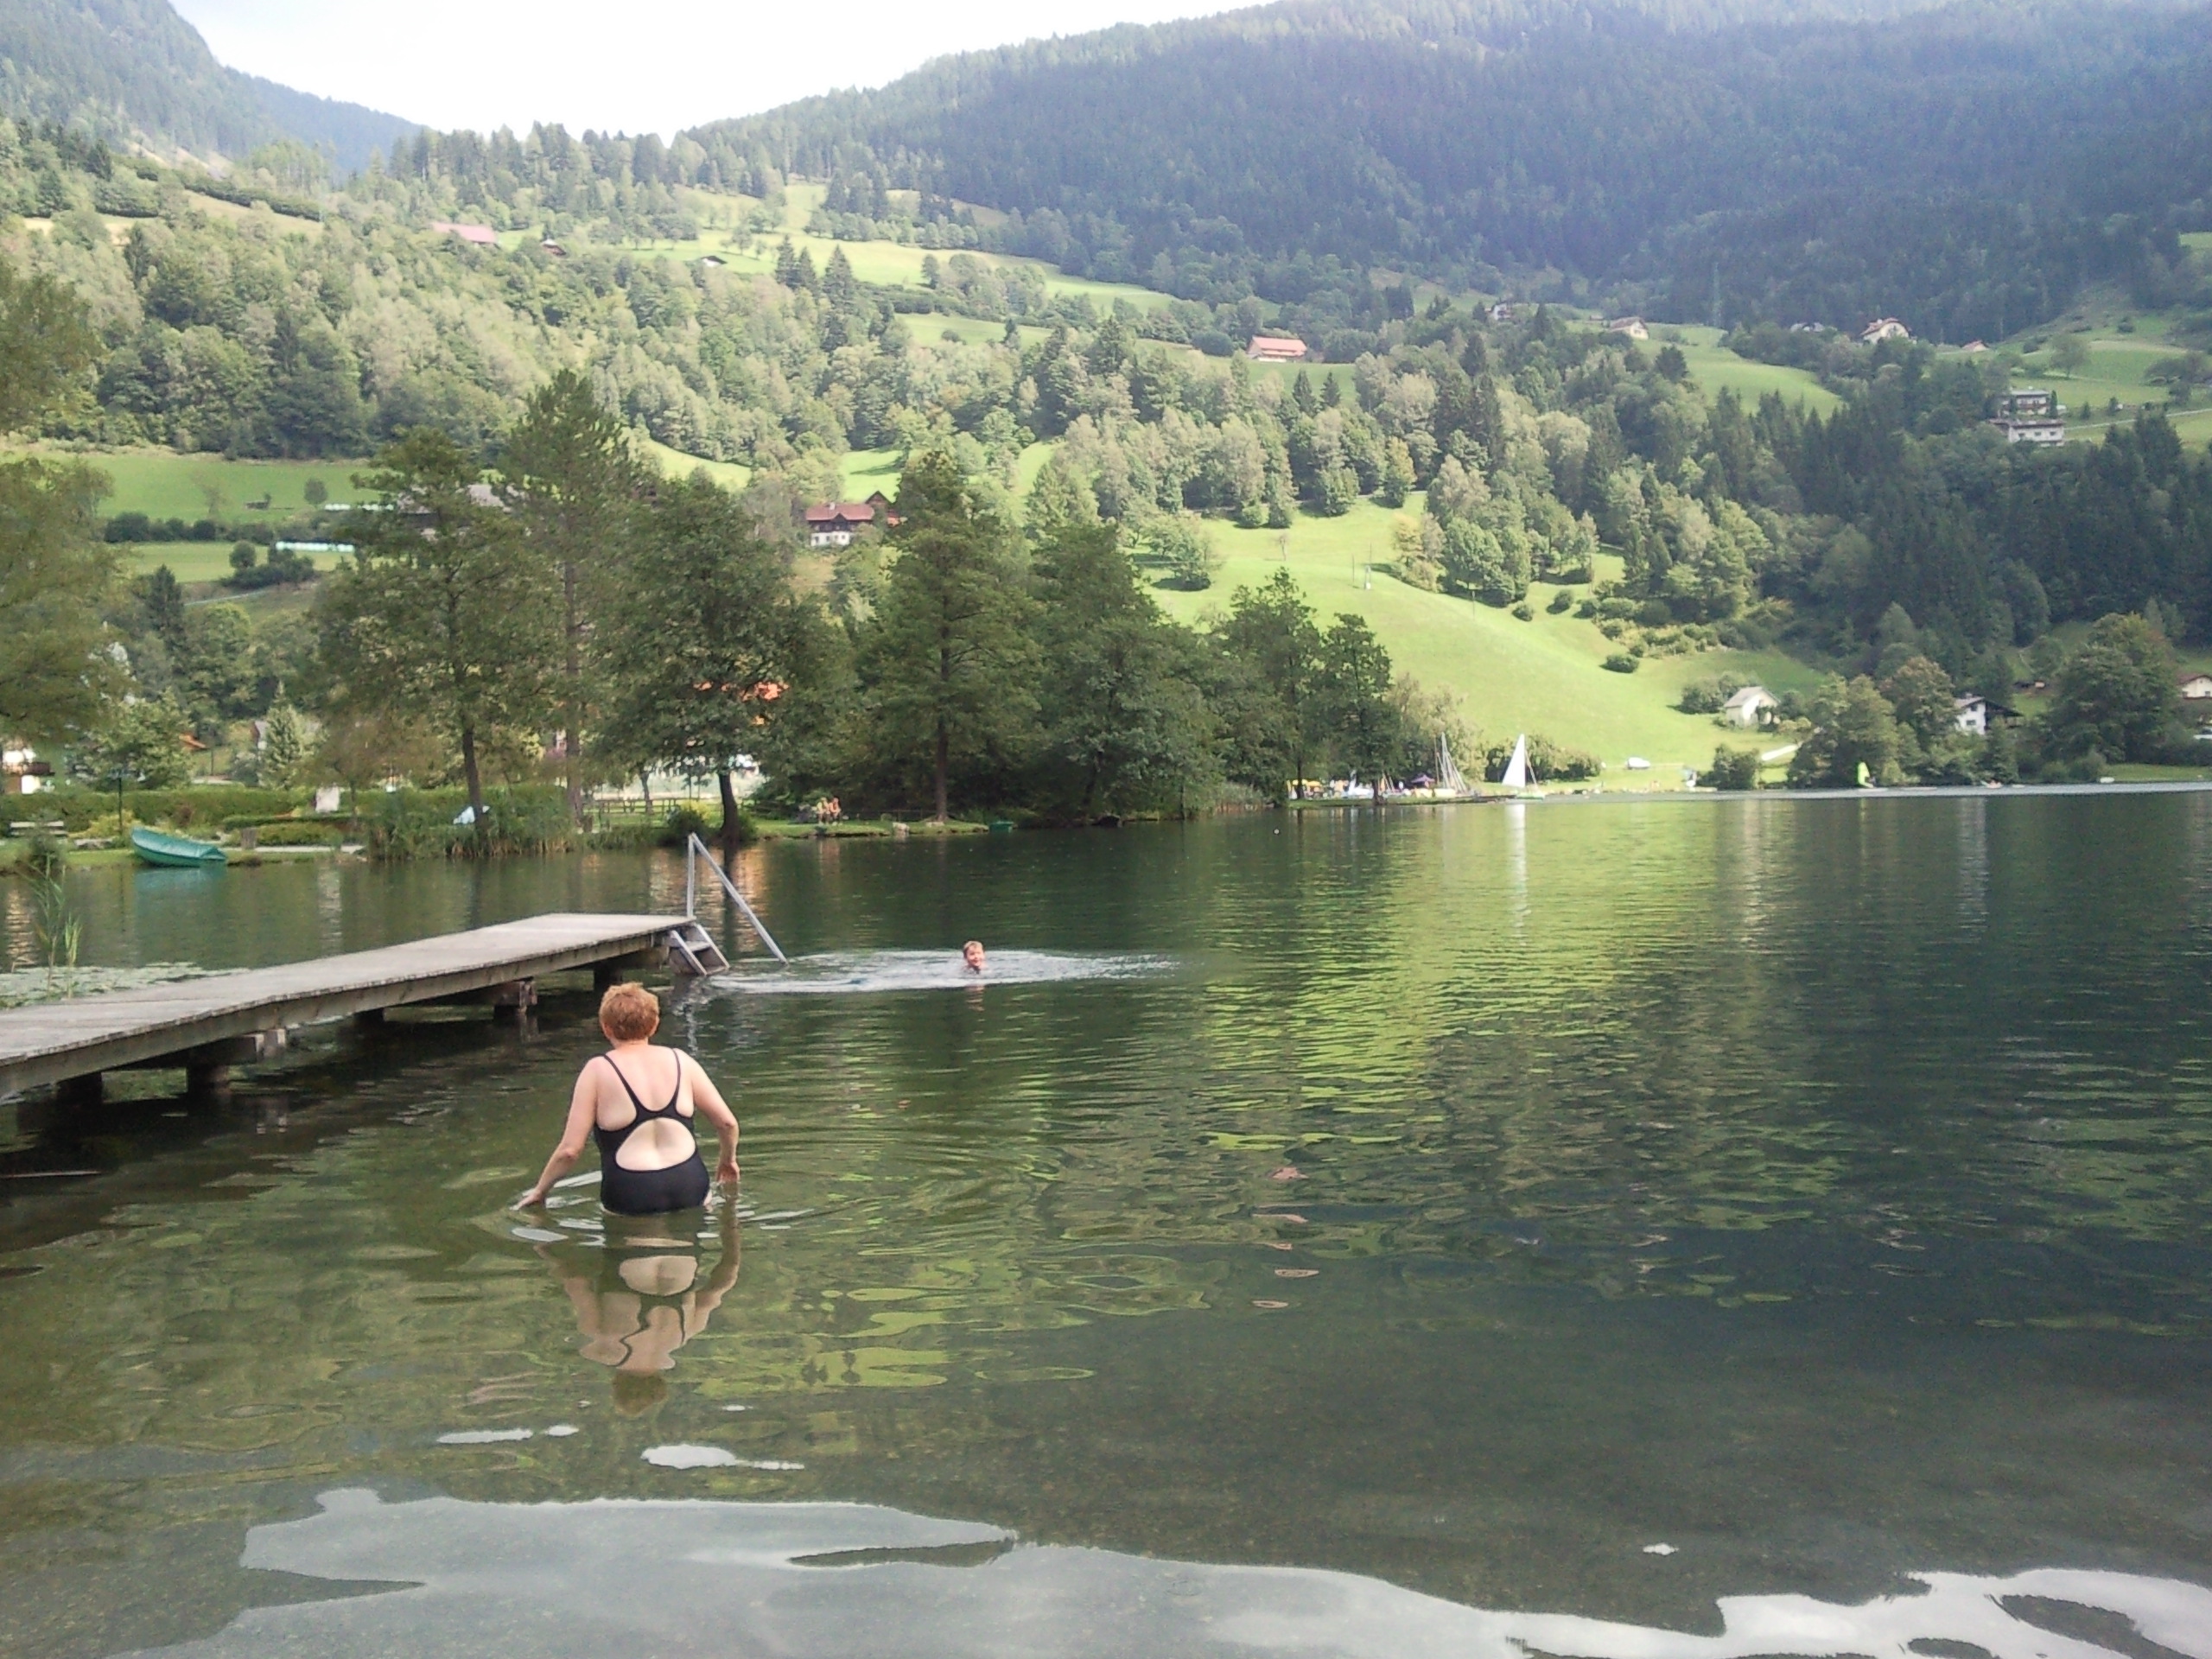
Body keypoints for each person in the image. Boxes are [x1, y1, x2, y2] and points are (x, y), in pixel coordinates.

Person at [518, 983, 738, 1214]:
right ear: (655, 1025)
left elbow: (570, 1151)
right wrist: (728, 1161)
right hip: (689, 1182)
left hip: (632, 1190)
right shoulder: (681, 1060)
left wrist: (540, 1192)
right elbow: (727, 1123)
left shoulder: (597, 1070)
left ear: (606, 1028)